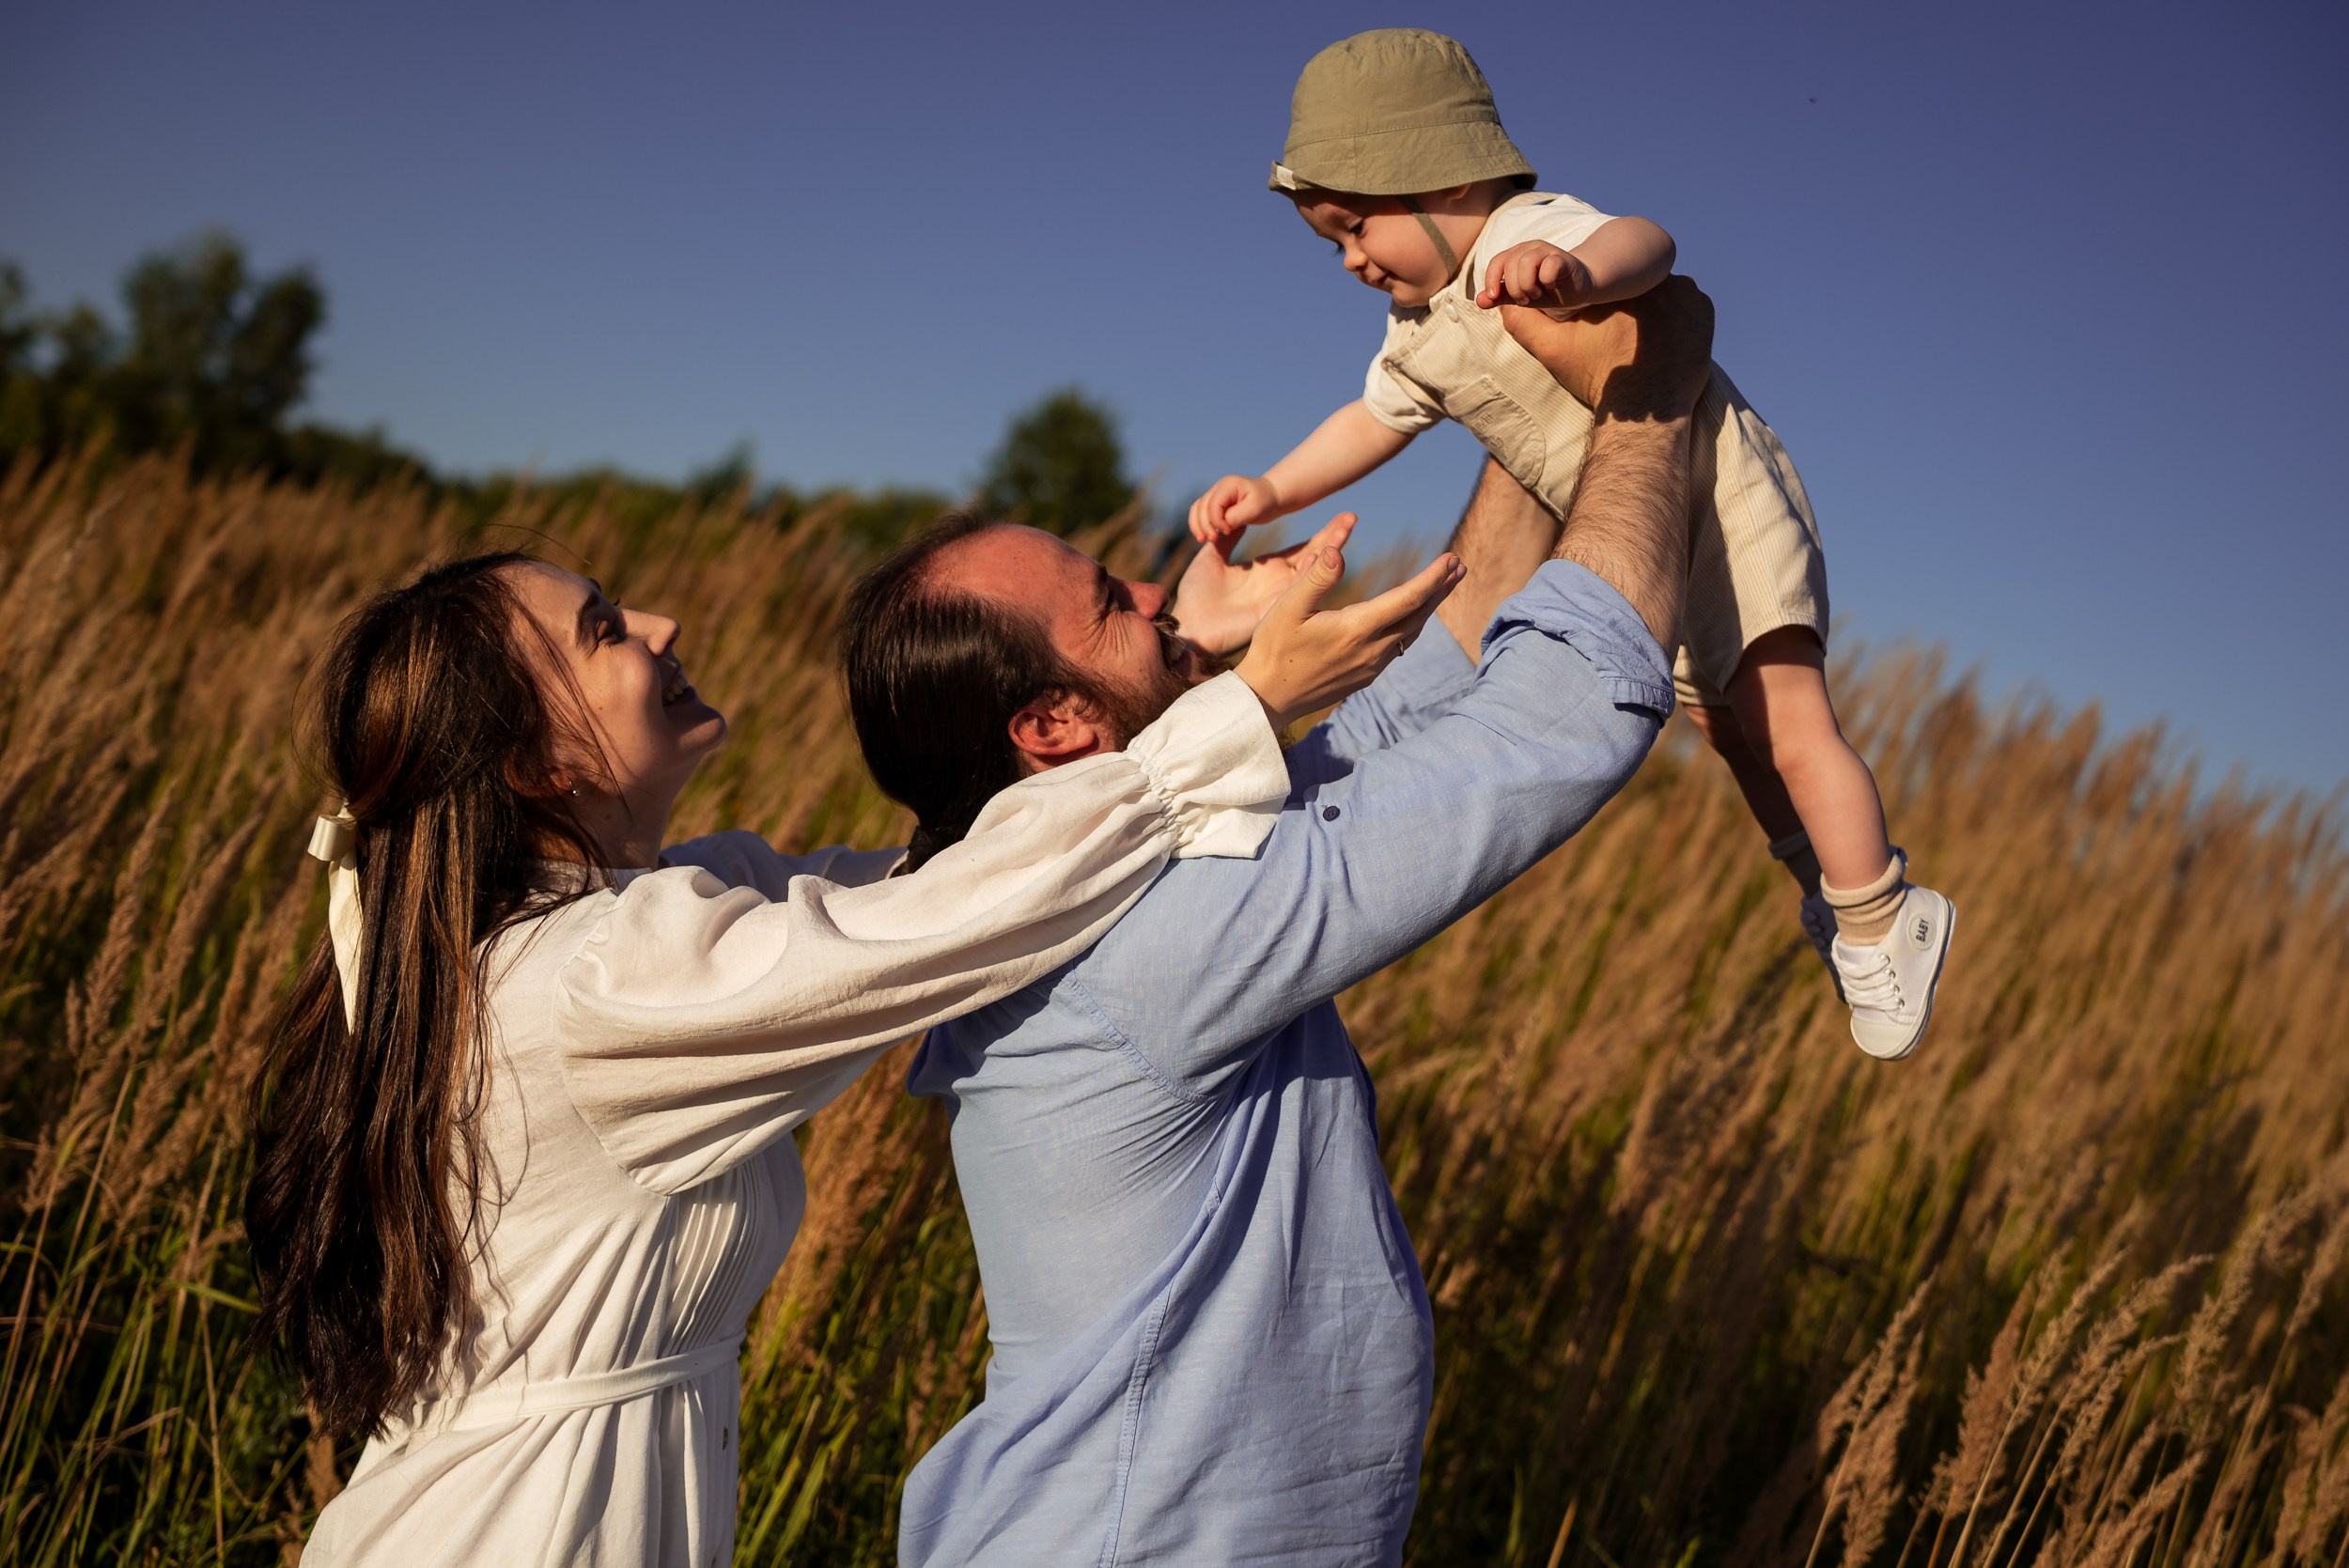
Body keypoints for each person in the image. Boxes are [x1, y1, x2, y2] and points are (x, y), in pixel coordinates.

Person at [245, 527, 1460, 1565]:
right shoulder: (596, 983)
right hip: (511, 1531)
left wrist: (1169, 659)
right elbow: (959, 919)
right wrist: (1239, 709)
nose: (662, 625)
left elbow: (954, 877)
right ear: (536, 763)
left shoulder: (631, 920)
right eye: (606, 631)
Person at [843, 278, 1708, 1564]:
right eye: (1107, 603)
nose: (1157, 592)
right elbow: (1563, 717)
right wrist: (1649, 402)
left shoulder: (1106, 866)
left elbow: (1434, 682)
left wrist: (1515, 388)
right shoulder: (1145, 934)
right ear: (1052, 729)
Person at [1189, 27, 1954, 1060]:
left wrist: (1579, 271)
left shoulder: (1525, 234)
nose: (1352, 260)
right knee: (1734, 734)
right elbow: (1367, 421)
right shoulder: (1416, 332)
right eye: (1331, 243)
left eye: (1357, 225)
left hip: (1718, 499)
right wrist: (1272, 488)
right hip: (1647, 546)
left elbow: (1652, 241)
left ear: (1436, 178)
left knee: (1786, 716)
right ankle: (1828, 886)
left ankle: (1881, 912)